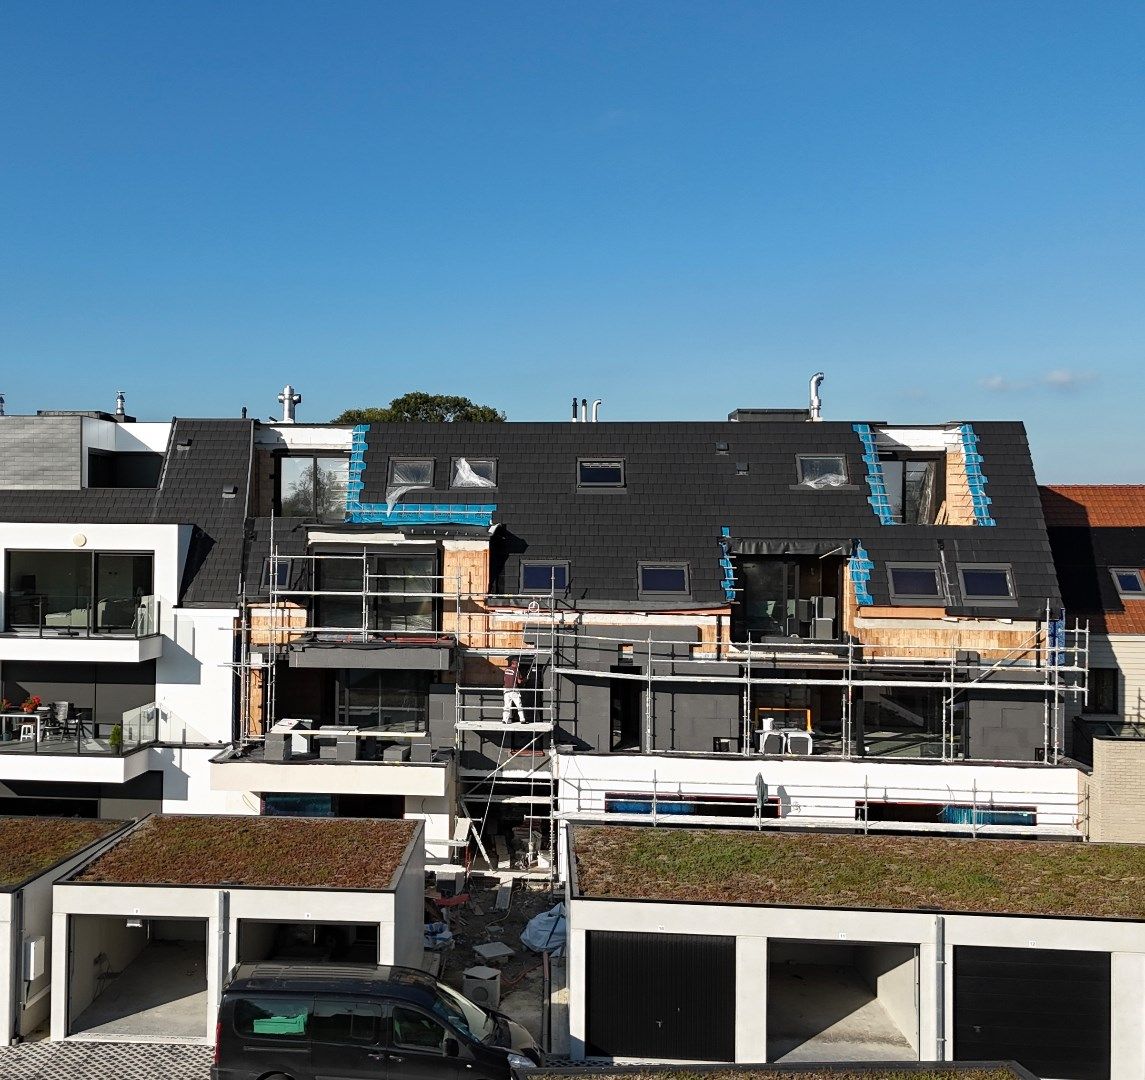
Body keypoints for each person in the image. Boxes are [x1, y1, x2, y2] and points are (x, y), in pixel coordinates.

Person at [501, 659, 525, 723]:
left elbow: (504, 679)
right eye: (517, 664)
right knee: (519, 705)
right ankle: (522, 720)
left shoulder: (506, 670)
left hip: (506, 690)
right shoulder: (516, 671)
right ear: (514, 664)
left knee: (506, 706)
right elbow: (519, 681)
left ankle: (504, 720)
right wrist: (525, 680)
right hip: (514, 690)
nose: (518, 666)